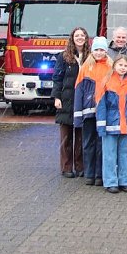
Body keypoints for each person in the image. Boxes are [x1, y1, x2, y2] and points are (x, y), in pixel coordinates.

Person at [73, 36, 113, 186]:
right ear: (92, 50)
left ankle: (100, 174)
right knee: (88, 144)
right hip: (88, 113)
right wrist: (77, 115)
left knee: (101, 144)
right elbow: (79, 91)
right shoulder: (85, 67)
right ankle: (89, 174)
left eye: (102, 50)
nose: (99, 52)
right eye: (96, 49)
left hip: (104, 113)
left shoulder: (111, 67)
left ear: (106, 51)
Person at [50, 26, 89, 178]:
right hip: (66, 99)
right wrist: (57, 97)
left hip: (83, 101)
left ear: (86, 38)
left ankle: (80, 166)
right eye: (77, 35)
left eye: (82, 35)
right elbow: (57, 78)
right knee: (66, 136)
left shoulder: (89, 56)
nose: (80, 38)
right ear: (72, 38)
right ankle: (67, 167)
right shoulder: (63, 57)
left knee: (80, 136)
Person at [96, 55, 127, 193]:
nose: (123, 68)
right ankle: (111, 182)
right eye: (120, 65)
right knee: (109, 154)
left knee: (126, 154)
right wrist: (101, 127)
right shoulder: (106, 81)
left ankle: (125, 181)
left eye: (125, 65)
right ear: (114, 66)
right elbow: (101, 106)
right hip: (110, 124)